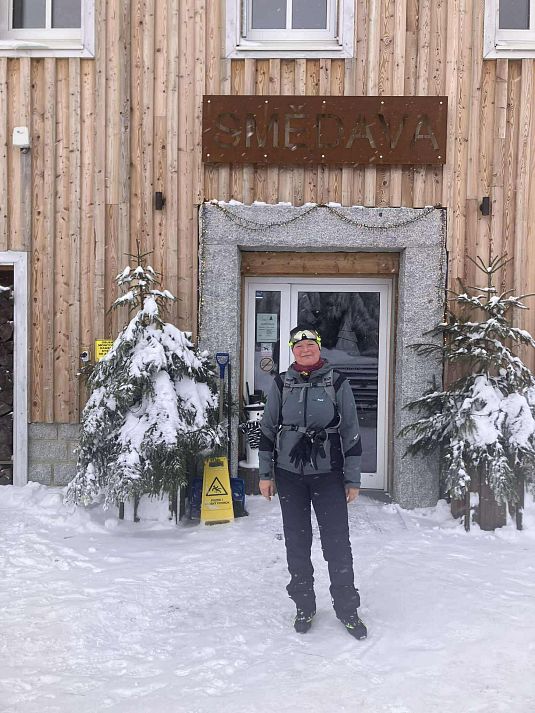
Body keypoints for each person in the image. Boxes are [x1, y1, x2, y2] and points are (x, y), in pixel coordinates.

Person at [258, 326, 367, 639]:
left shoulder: (337, 382)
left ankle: (347, 609)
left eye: (310, 345)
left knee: (337, 543)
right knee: (297, 542)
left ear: (319, 347)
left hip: (328, 473)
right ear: (292, 350)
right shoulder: (282, 383)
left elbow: (351, 431)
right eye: (299, 346)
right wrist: (265, 475)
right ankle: (304, 605)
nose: (305, 350)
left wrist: (352, 478)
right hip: (289, 474)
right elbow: (267, 428)